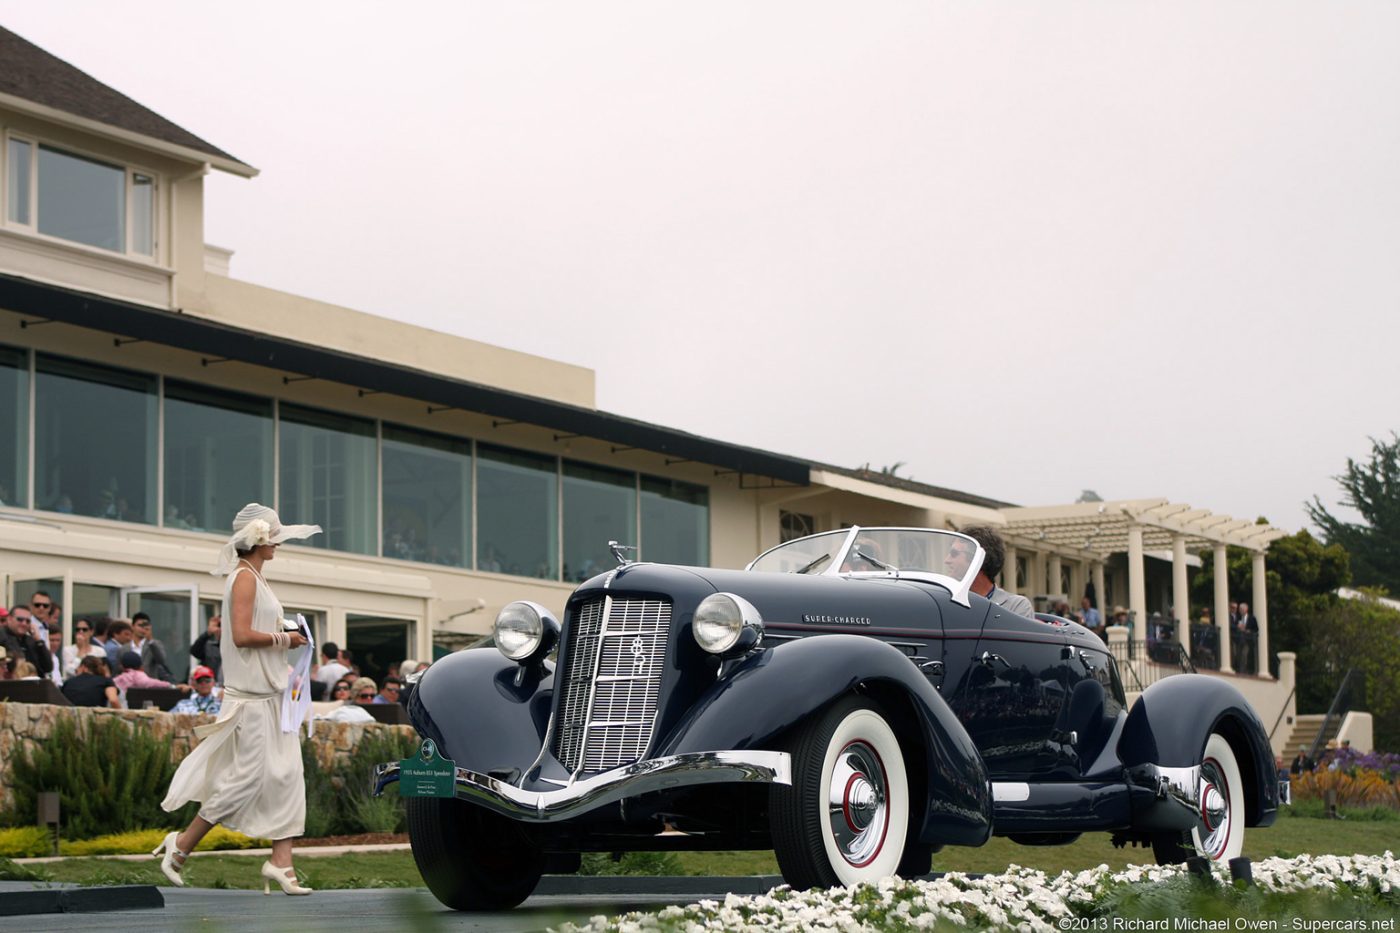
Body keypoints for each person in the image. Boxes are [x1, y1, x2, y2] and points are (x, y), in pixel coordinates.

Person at [156, 503, 320, 895]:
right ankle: (179, 846)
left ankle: (282, 863)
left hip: (273, 697)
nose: (279, 542)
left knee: (288, 777)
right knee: (243, 780)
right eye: (274, 536)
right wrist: (288, 638)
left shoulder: (257, 579)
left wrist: (285, 630)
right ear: (258, 539)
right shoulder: (243, 578)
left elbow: (254, 629)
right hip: (249, 701)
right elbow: (242, 635)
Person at [946, 526, 1036, 619]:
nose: (946, 560)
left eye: (954, 553)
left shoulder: (1016, 607)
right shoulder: (944, 602)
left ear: (978, 560)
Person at [0, 606, 54, 677]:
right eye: (20, 619)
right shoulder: (2, 636)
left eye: (28, 621)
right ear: (9, 619)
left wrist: (39, 640)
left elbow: (48, 667)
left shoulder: (31, 640)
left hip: (33, 684)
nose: (24, 623)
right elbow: (17, 663)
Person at [114, 651, 190, 699]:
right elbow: (152, 683)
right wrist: (173, 686)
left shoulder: (117, 679)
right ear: (141, 666)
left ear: (122, 666)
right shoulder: (138, 675)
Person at [133, 612, 175, 683]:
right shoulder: (125, 647)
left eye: (145, 625)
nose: (142, 629)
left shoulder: (154, 644)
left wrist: (150, 640)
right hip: (130, 684)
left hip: (149, 685)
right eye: (140, 625)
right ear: (133, 626)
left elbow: (161, 660)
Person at [190, 615, 223, 682]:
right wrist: (208, 633)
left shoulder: (238, 647)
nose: (220, 629)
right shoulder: (210, 647)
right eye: (219, 625)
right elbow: (194, 651)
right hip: (213, 688)